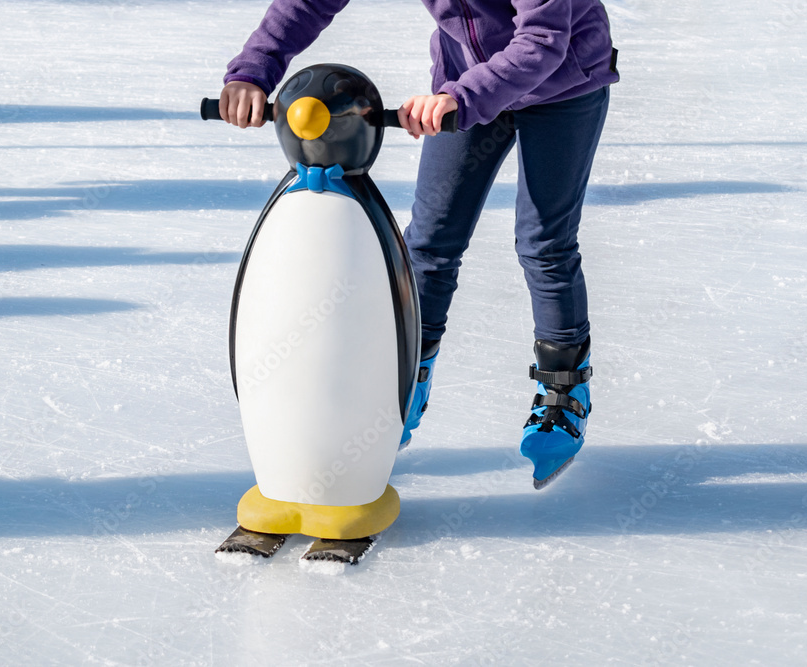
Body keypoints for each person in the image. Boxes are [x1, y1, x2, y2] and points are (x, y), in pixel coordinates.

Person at [219, 0, 619, 489]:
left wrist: (463, 97)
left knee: (544, 244)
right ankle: (405, 377)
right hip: (466, 84)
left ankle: (563, 394)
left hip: (564, 88)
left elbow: (542, 40)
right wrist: (254, 70)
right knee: (430, 243)